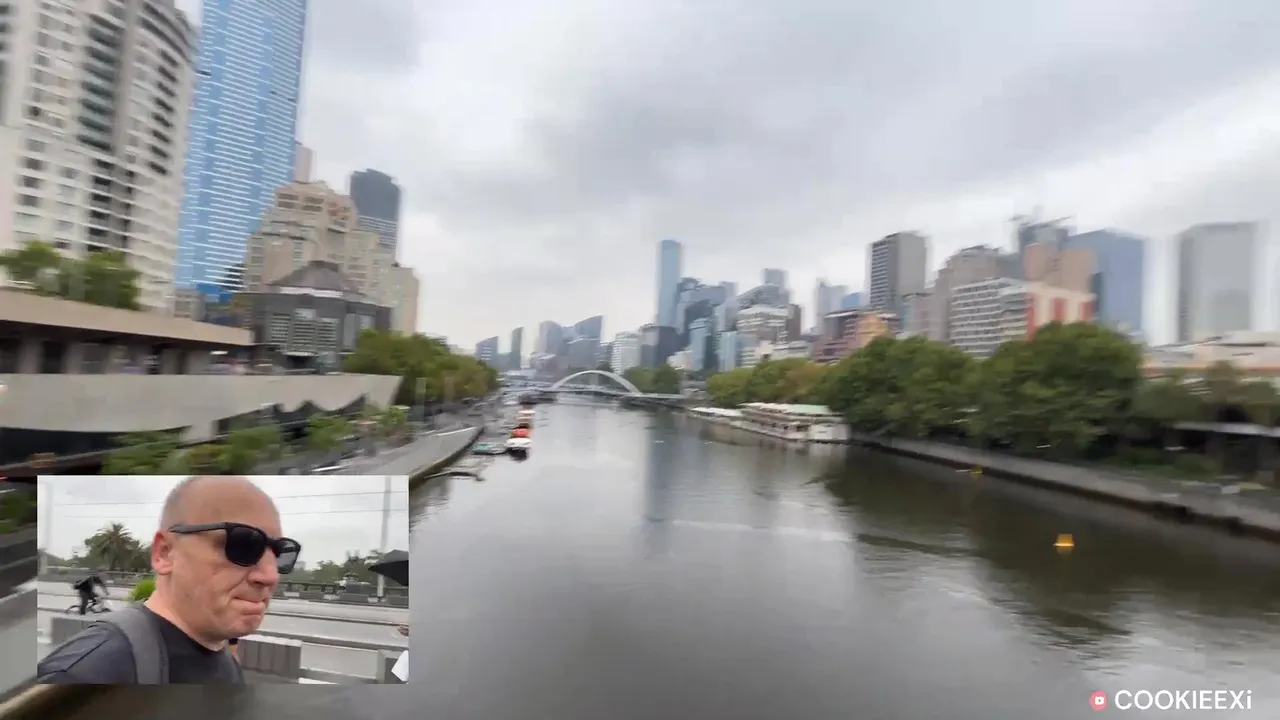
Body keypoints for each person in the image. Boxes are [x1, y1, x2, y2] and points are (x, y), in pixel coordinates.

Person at [37, 476, 302, 684]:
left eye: (279, 553)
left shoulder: (226, 660)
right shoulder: (86, 673)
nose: (270, 575)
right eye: (243, 545)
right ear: (165, 553)